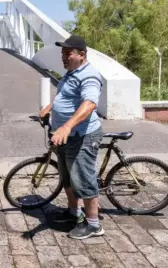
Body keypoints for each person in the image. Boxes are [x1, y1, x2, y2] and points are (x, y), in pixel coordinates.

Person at [39, 34, 104, 240]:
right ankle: (73, 213)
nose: (63, 57)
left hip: (81, 136)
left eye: (68, 54)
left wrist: (66, 126)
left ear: (82, 55)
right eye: (62, 54)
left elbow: (90, 103)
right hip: (64, 136)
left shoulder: (89, 76)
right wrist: (50, 107)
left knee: (83, 179)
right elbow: (64, 96)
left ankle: (93, 224)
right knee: (67, 177)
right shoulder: (71, 73)